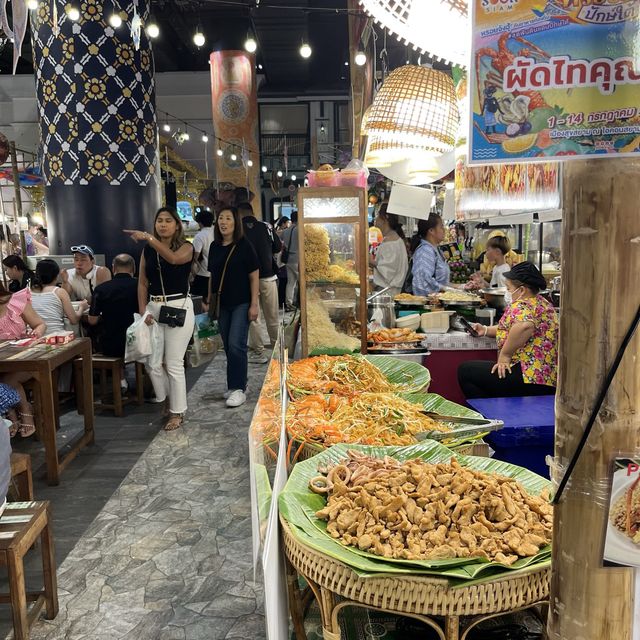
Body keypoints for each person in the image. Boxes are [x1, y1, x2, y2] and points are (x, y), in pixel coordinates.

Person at [124, 208, 195, 431]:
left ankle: (177, 411)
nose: (163, 225)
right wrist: (144, 311)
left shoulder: (187, 247)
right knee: (152, 362)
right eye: (159, 221)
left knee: (173, 363)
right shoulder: (148, 250)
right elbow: (142, 282)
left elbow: (173, 259)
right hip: (154, 307)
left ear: (176, 225)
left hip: (178, 307)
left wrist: (149, 238)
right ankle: (165, 400)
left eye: (167, 221)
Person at [458, 262, 558, 399]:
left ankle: (490, 415)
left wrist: (505, 356)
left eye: (509, 288)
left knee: (466, 371)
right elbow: (512, 328)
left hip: (528, 376)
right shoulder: (542, 303)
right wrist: (485, 330)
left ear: (522, 290)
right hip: (546, 378)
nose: (508, 292)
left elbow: (524, 326)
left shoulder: (521, 305)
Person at [206, 206, 259, 408]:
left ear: (236, 222)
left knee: (237, 344)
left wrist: (254, 304)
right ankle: (235, 384)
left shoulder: (245, 245)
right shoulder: (214, 247)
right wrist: (209, 300)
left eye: (228, 218)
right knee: (228, 346)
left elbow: (254, 276)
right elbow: (212, 275)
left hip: (242, 302)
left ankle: (239, 389)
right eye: (221, 218)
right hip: (222, 303)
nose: (224, 222)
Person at [0, 285, 46, 437]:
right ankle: (11, 414)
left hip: (26, 357)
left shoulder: (16, 302)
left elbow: (40, 324)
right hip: (3, 362)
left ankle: (24, 411)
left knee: (7, 381)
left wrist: (35, 333)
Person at [88, 254, 139, 391]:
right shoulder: (140, 286)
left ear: (113, 268)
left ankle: (121, 381)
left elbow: (92, 321)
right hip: (138, 342)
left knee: (110, 337)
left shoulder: (101, 289)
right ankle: (147, 385)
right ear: (133, 268)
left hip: (111, 344)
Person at [241, 202, 282, 364]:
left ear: (240, 214)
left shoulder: (237, 230)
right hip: (268, 277)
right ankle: (277, 350)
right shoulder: (266, 227)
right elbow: (278, 247)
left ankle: (259, 352)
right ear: (253, 212)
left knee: (254, 317)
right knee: (272, 316)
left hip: (247, 280)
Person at [30, 259, 88, 334]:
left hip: (35, 336)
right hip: (56, 337)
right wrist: (82, 307)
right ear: (56, 276)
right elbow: (74, 320)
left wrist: (65, 281)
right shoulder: (59, 292)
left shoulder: (27, 292)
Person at [369, 204, 408, 296]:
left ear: (385, 218)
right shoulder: (392, 238)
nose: (375, 218)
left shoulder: (391, 241)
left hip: (388, 293)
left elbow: (388, 271)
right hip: (388, 291)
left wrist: (371, 261)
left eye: (378, 215)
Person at [411, 214, 455, 295]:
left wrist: (461, 287)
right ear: (431, 231)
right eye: (441, 227)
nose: (444, 230)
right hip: (429, 304)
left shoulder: (436, 249)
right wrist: (443, 289)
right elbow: (421, 282)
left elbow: (442, 283)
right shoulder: (425, 251)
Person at [190, 208, 215, 299]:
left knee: (200, 302)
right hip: (216, 273)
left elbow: (195, 257)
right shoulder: (217, 232)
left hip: (203, 274)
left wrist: (193, 274)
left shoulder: (200, 236)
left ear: (200, 223)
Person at [280, 211, 299, 310]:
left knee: (290, 282)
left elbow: (280, 241)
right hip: (297, 258)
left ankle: (289, 303)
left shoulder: (286, 231)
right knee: (301, 281)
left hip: (288, 259)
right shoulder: (300, 230)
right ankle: (301, 302)